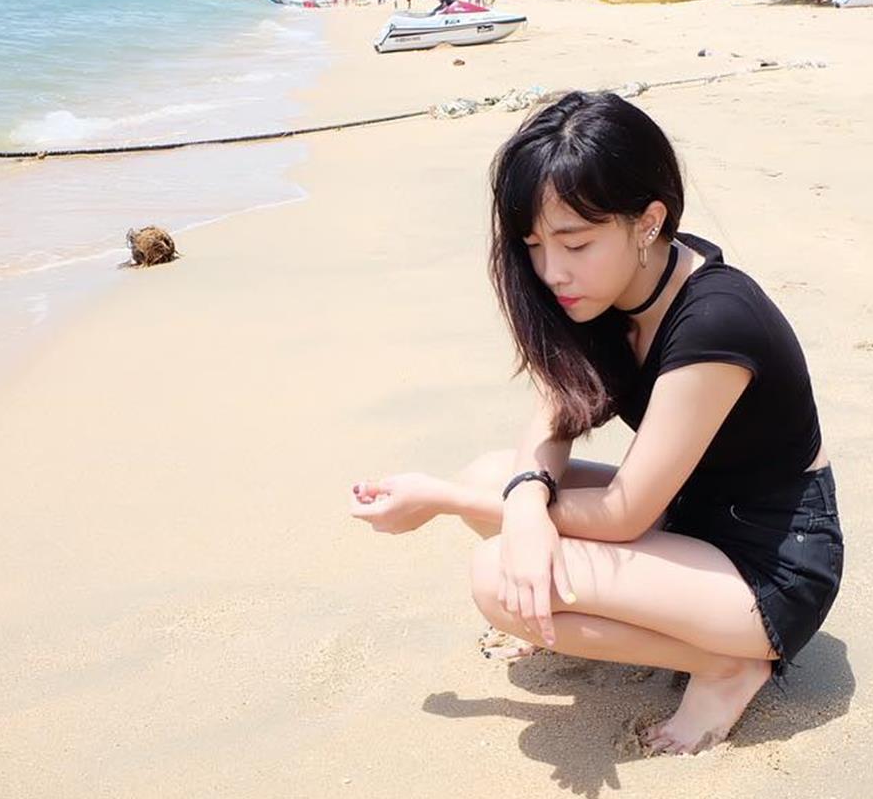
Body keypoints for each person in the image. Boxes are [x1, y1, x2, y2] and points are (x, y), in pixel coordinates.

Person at [350, 92, 844, 755]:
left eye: (576, 242)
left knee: (496, 577)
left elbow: (623, 515)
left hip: (768, 570)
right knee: (493, 475)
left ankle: (728, 664)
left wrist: (449, 501)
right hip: (691, 516)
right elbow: (553, 417)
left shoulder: (716, 320)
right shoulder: (611, 292)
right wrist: (524, 497)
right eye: (534, 244)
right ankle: (669, 629)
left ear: (649, 222)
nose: (551, 271)